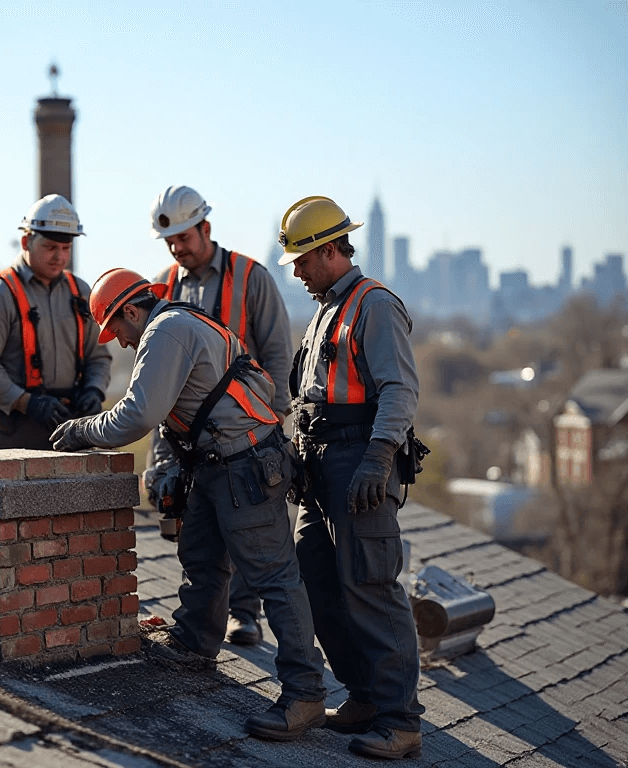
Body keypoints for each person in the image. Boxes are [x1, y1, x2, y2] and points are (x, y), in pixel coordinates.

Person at [51, 268, 327, 742]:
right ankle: (195, 644)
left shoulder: (165, 331)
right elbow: (178, 411)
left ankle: (305, 693)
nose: (117, 341)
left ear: (131, 311)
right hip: (219, 463)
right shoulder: (177, 322)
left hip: (247, 465)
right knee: (200, 557)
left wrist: (81, 430)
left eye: (116, 328)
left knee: (275, 580)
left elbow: (137, 415)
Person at [278, 196, 424, 760]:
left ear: (332, 250)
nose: (296, 270)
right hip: (320, 466)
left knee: (371, 587)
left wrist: (377, 457)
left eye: (303, 259)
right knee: (314, 579)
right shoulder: (326, 309)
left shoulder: (374, 305)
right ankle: (364, 696)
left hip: (360, 462)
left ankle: (400, 720)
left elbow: (399, 391)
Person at [146, 185, 294, 646]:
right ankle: (204, 623)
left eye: (184, 239)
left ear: (205, 228)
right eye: (169, 242)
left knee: (247, 522)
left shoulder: (251, 278)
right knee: (201, 527)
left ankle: (244, 614)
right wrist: (159, 453)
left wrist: (272, 423)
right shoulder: (164, 286)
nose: (177, 249)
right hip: (188, 435)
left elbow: (277, 353)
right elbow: (154, 376)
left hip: (246, 429)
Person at [0, 195, 111, 449]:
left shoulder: (81, 292)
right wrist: (25, 402)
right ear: (26, 241)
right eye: (50, 247)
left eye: (66, 248)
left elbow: (98, 356)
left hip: (66, 427)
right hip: (8, 433)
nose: (59, 256)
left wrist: (94, 391)